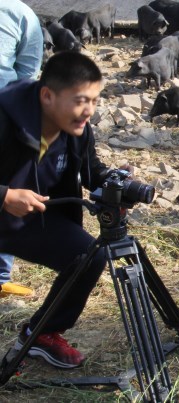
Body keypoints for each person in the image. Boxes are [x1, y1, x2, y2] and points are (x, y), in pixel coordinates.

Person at [0, 51, 110, 369]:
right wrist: (5, 196)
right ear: (47, 95)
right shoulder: (5, 117)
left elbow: (92, 173)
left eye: (94, 100)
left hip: (28, 220)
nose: (88, 111)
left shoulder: (76, 127)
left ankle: (42, 335)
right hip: (7, 207)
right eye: (80, 100)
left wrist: (114, 184)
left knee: (89, 255)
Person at [0, 0, 44, 297]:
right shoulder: (19, 12)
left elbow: (28, 70)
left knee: (8, 189)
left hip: (4, 116)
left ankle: (1, 277)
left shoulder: (19, 13)